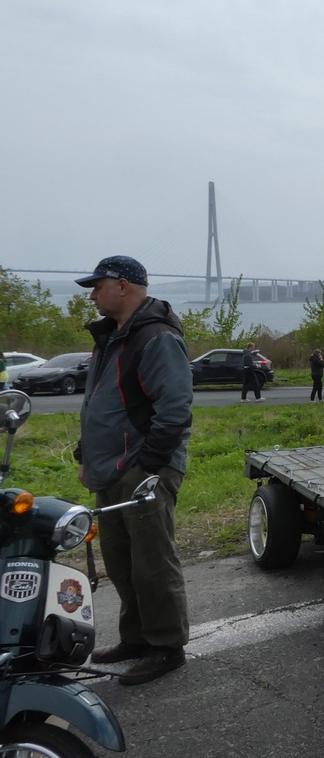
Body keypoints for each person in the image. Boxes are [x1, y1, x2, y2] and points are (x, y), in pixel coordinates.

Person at [72, 255, 191, 686]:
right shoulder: (112, 337)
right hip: (112, 468)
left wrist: (148, 467)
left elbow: (175, 409)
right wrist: (87, 456)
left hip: (141, 470)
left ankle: (166, 647)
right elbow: (99, 401)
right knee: (122, 563)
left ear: (123, 286)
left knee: (152, 563)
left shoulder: (154, 336)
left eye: (97, 285)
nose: (92, 293)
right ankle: (137, 638)